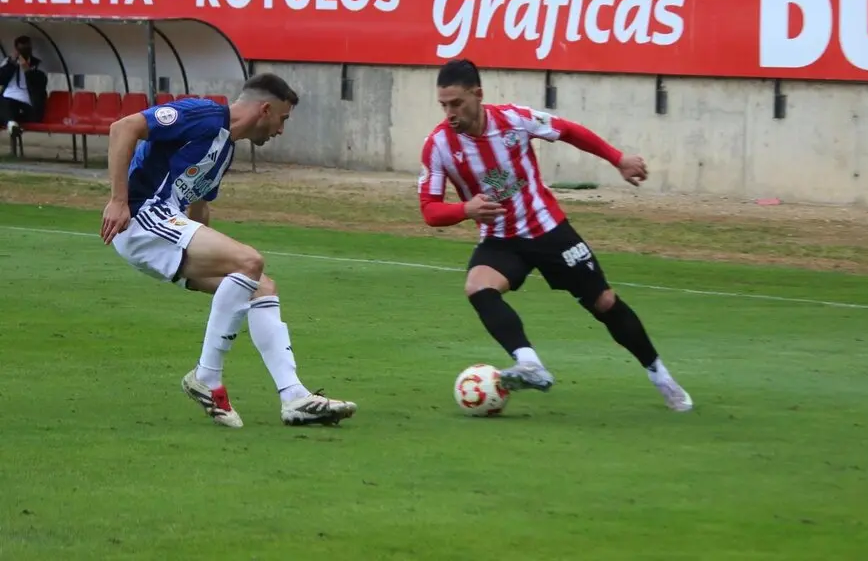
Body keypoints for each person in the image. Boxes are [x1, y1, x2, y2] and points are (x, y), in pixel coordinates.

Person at [417, 59, 693, 412]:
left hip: (548, 229)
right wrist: (466, 210)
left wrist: (618, 159)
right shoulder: (438, 145)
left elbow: (568, 131)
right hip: (501, 239)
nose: (450, 113)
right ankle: (529, 363)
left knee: (604, 303)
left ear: (478, 94)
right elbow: (430, 210)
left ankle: (661, 376)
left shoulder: (514, 120)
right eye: (443, 105)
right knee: (478, 287)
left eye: (457, 103)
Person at [99, 74, 357, 429]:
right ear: (265, 109)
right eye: (282, 119)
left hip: (166, 225)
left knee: (261, 287)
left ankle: (294, 396)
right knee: (250, 261)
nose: (281, 130)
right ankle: (206, 376)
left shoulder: (225, 150)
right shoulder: (204, 115)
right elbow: (123, 128)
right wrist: (118, 200)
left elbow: (198, 207)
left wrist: (213, 257)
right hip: (142, 216)